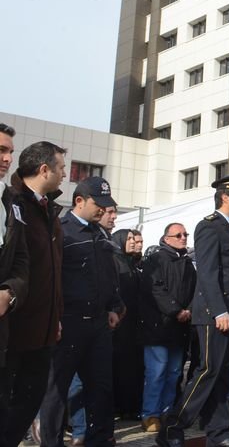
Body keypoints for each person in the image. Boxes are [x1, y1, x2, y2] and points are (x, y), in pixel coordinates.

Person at [157, 173, 229, 447]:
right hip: (215, 314)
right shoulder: (209, 226)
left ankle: (219, 433)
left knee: (220, 374)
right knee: (207, 371)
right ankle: (172, 428)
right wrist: (220, 311)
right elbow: (209, 274)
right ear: (225, 197)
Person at [39, 177, 124, 447]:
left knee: (100, 388)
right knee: (56, 390)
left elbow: (107, 275)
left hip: (99, 324)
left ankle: (98, 440)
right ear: (79, 201)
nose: (103, 210)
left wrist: (112, 306)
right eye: (98, 205)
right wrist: (53, 317)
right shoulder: (60, 231)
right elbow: (47, 279)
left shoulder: (101, 234)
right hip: (69, 323)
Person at [3, 141, 64, 446]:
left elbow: (53, 272)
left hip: (43, 329)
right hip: (14, 325)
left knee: (31, 398)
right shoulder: (13, 203)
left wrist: (56, 315)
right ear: (44, 169)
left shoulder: (49, 210)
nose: (65, 174)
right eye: (61, 167)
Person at [138, 223, 196, 432]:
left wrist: (188, 309)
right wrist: (176, 310)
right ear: (166, 238)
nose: (183, 238)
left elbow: (195, 289)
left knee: (174, 372)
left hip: (179, 328)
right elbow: (155, 288)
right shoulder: (156, 259)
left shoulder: (188, 263)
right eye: (178, 235)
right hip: (158, 327)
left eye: (185, 234)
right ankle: (150, 414)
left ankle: (167, 411)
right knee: (157, 372)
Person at [0, 123, 29, 439]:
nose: (7, 158)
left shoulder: (11, 201)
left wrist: (10, 292)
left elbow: (21, 261)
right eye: (1, 150)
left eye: (10, 151)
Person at [110, 229, 144, 420]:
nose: (132, 242)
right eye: (129, 238)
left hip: (132, 325)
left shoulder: (129, 263)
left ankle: (128, 405)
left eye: (134, 239)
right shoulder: (116, 261)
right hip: (120, 324)